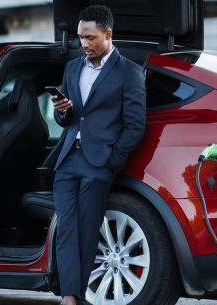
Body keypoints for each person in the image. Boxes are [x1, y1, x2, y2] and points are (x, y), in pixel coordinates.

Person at [51, 5, 146, 305]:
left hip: (99, 163)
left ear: (108, 34)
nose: (84, 44)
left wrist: (111, 162)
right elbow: (68, 119)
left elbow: (135, 125)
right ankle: (69, 297)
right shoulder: (72, 68)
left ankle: (76, 295)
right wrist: (62, 112)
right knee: (66, 228)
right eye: (80, 37)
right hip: (68, 159)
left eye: (90, 38)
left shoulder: (129, 71)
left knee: (87, 230)